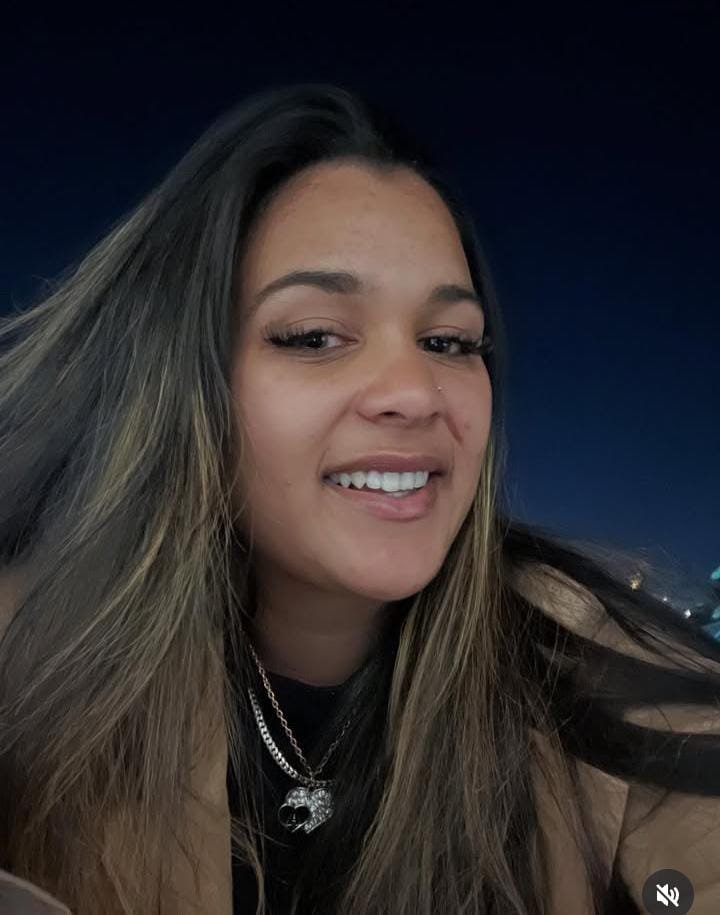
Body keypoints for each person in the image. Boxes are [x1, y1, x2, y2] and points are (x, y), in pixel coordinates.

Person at [0, 83, 719, 915]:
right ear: (182, 382)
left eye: (448, 341)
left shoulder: (605, 684)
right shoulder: (33, 664)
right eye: (314, 336)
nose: (414, 391)